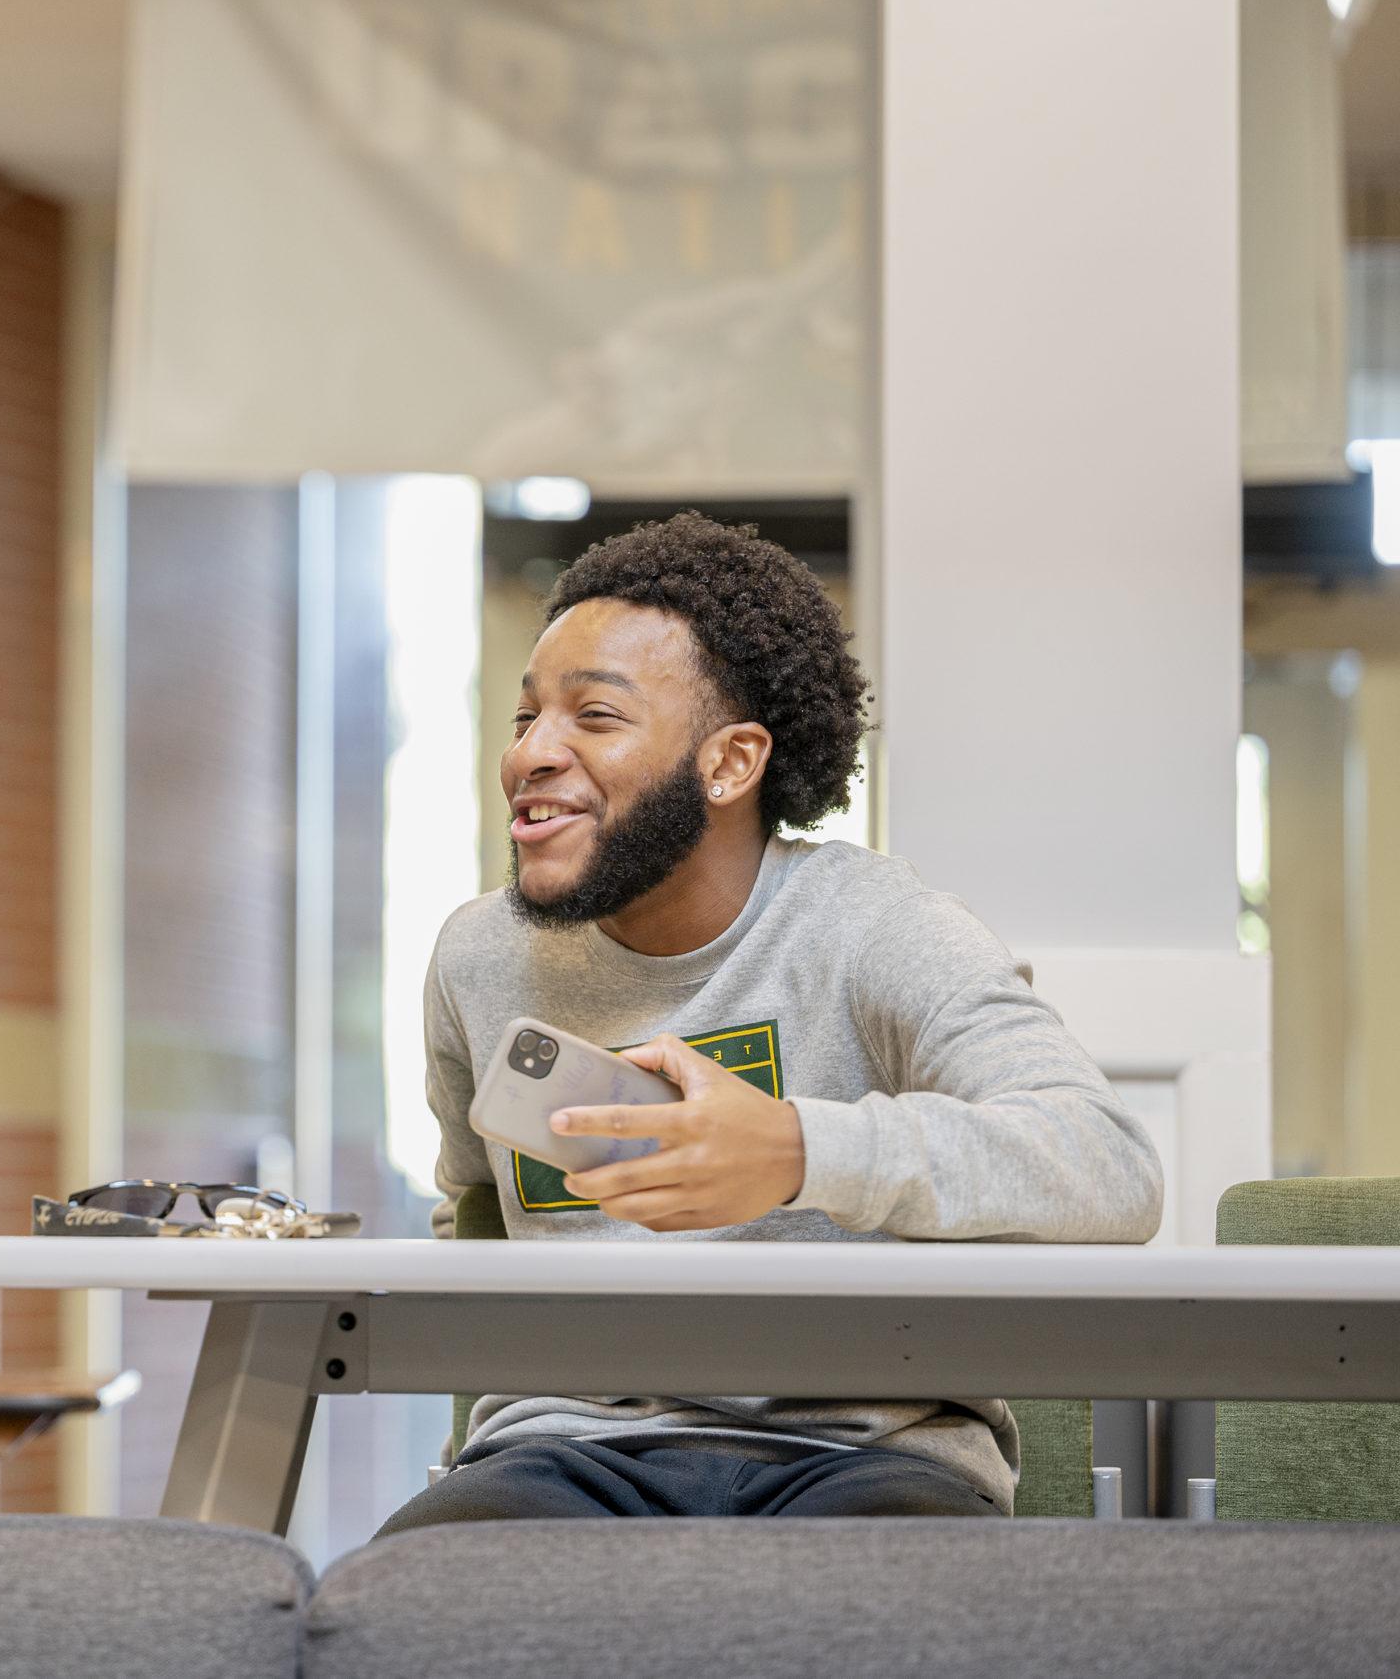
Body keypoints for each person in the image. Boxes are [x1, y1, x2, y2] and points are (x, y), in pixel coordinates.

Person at [377, 512, 1162, 1534]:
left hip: (861, 1455)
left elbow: (1108, 1166)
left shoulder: (874, 926)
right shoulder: (478, 957)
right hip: (564, 1453)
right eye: (526, 717)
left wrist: (797, 1150)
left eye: (593, 718)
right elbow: (473, 1216)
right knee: (411, 1599)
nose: (532, 752)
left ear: (731, 763)